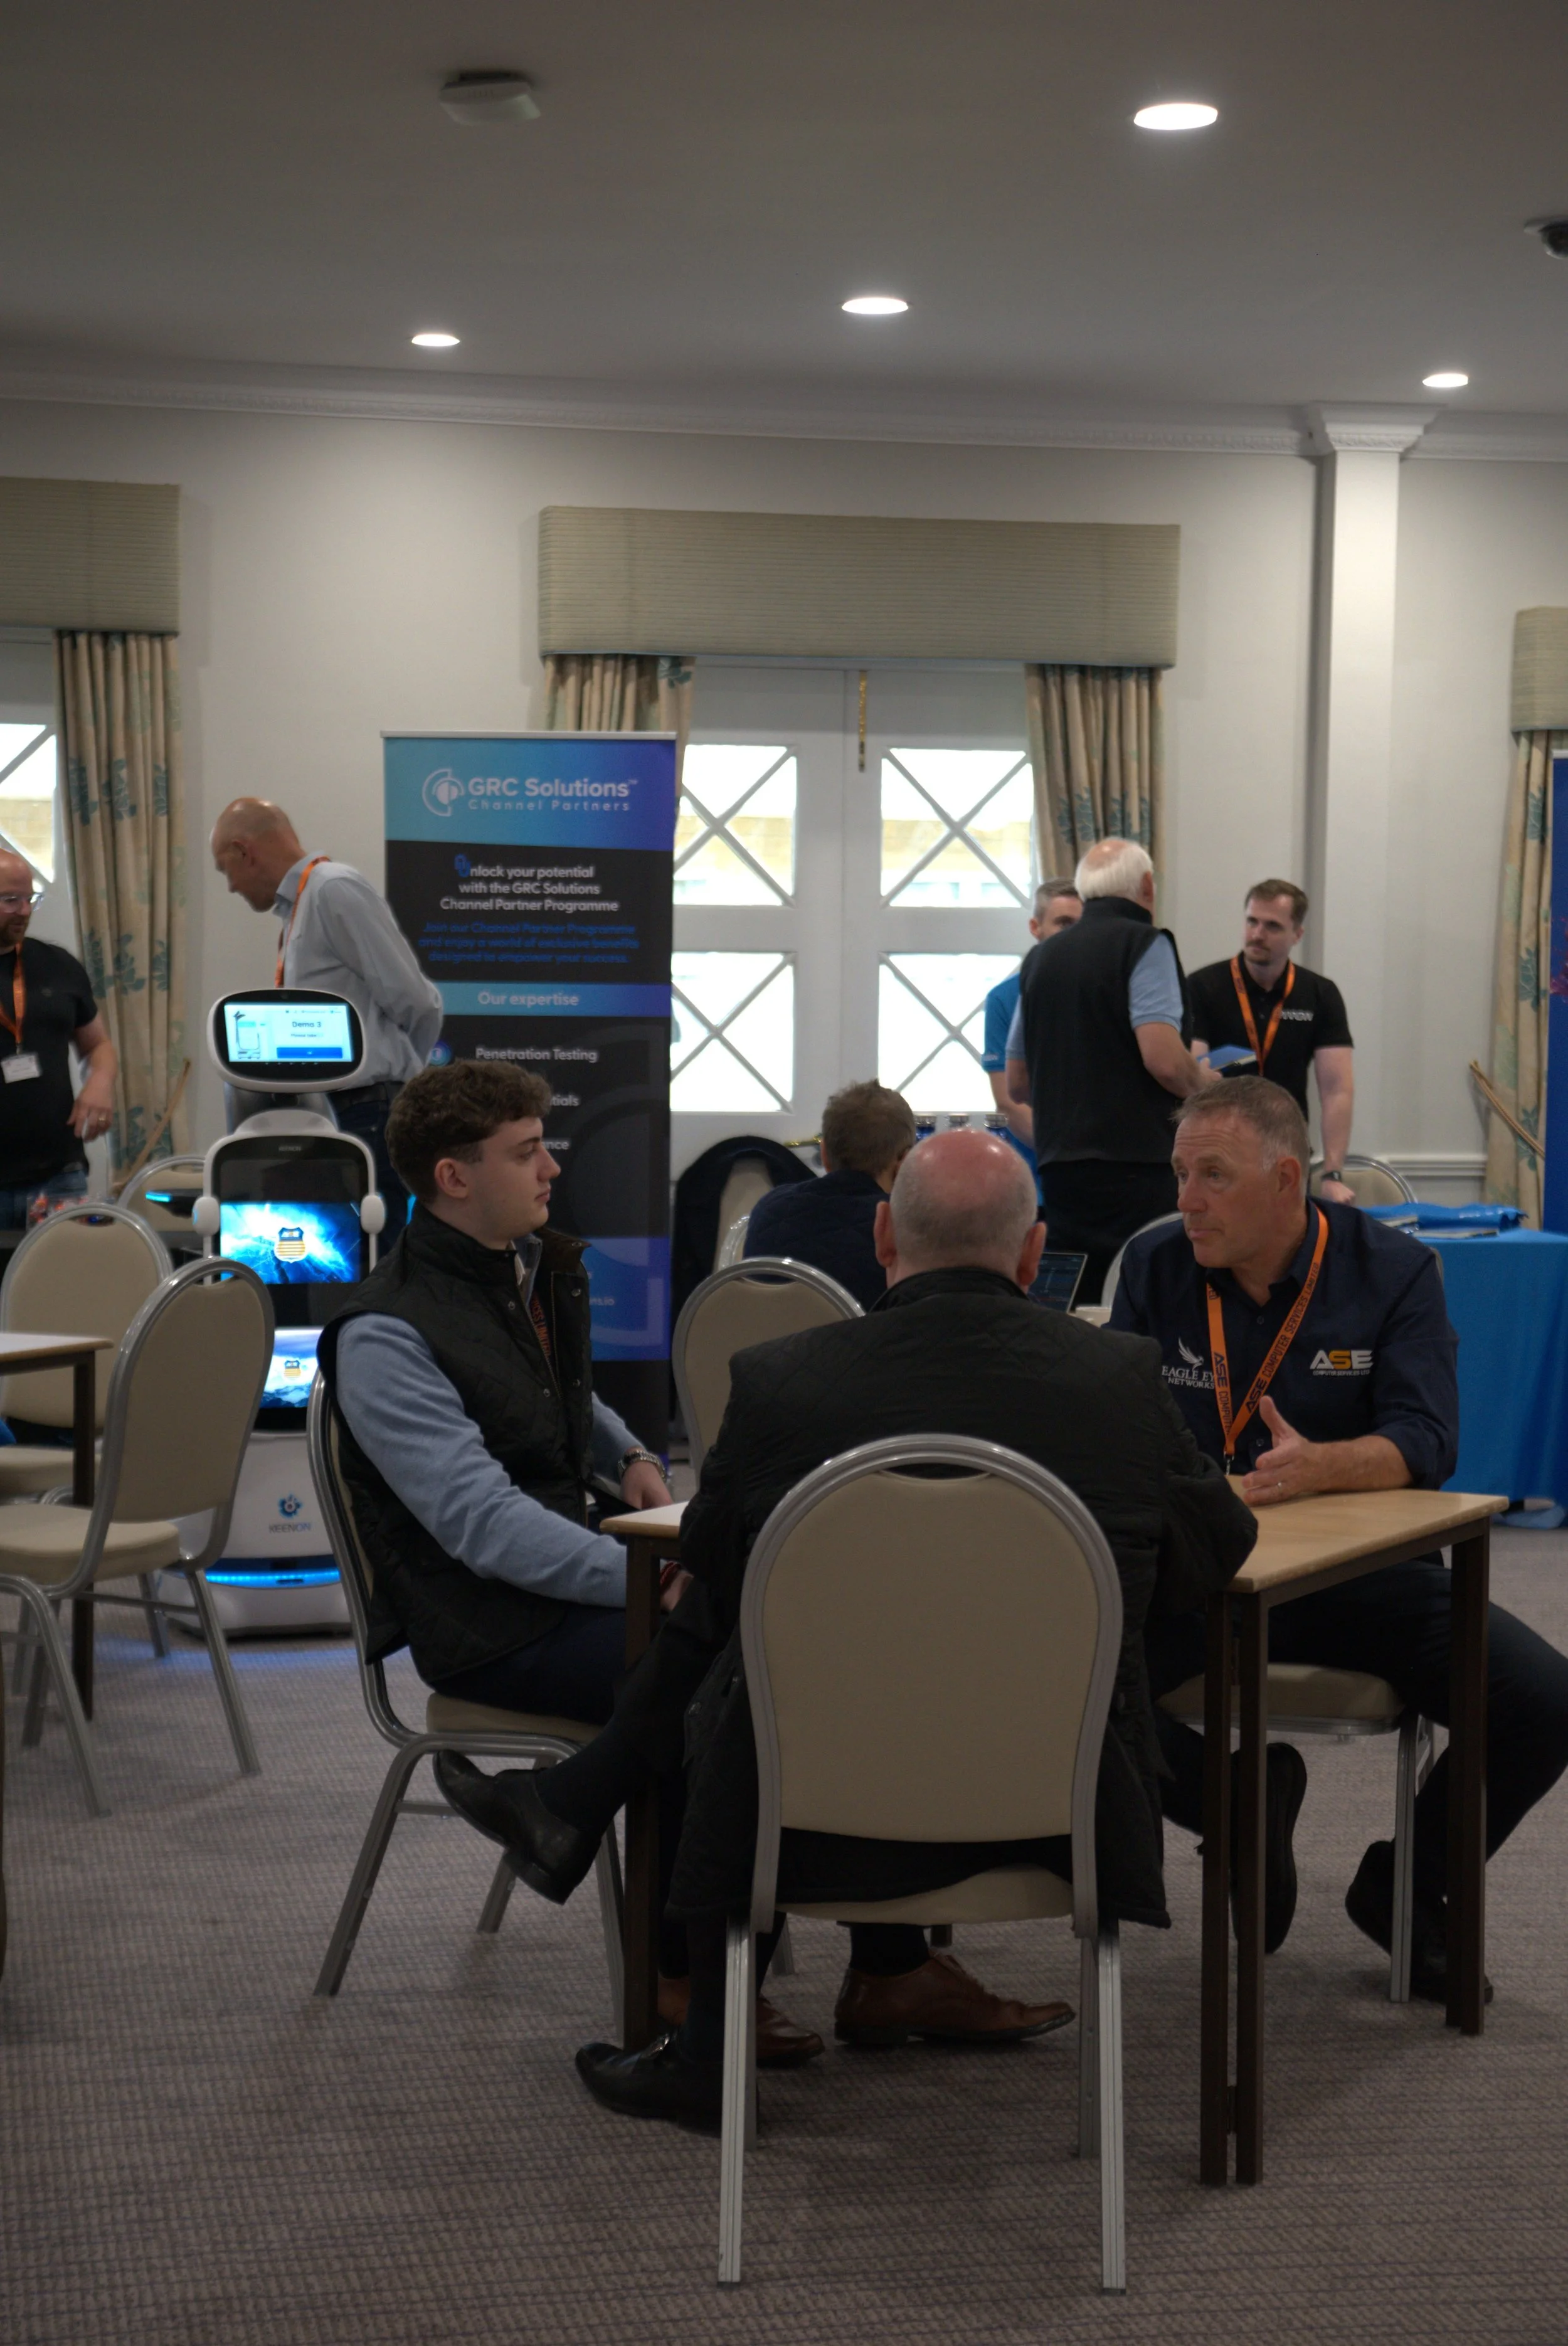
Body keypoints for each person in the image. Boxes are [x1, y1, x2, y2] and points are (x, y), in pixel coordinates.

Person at [438, 1128, 1256, 2131]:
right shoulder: (1121, 1382)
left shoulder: (784, 1381)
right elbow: (1219, 1553)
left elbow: (715, 1567)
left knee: (727, 1634)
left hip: (806, 1819)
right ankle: (879, 1979)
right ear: (1037, 1254)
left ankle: (702, 2040)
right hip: (1059, 1814)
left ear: (881, 1237)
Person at [315, 1061, 824, 2069]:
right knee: (721, 1673)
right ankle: (683, 1975)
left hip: (557, 1581)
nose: (551, 1166)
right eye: (525, 1151)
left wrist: (629, 1455)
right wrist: (641, 1575)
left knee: (766, 1636)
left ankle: (572, 1814)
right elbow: (481, 1529)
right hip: (483, 1623)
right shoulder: (385, 1332)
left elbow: (557, 1397)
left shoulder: (528, 1263)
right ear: (453, 1179)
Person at [1111, 1075, 1568, 1997]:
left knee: (1543, 1700)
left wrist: (1327, 1464)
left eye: (1212, 1176)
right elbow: (1114, 1432)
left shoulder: (1391, 1271)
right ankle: (1234, 1800)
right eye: (1178, 1174)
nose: (1185, 1200)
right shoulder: (1159, 1270)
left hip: (1360, 1582)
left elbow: (1429, 1440)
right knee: (1059, 1679)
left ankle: (1412, 1886)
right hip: (1197, 1579)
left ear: (1287, 1182)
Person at [210, 798, 443, 1223]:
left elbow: (417, 1001)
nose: (230, 887)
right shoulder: (300, 908)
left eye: (225, 870)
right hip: (338, 1113)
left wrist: (402, 1081)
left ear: (245, 852)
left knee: (371, 1264)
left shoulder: (333, 889)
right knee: (342, 1266)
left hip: (369, 1113)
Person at [1007, 837, 1216, 1298]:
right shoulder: (1145, 944)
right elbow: (1163, 1059)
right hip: (1138, 1168)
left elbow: (1018, 1082)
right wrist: (1204, 1082)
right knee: (1143, 1302)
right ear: (1146, 885)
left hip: (1061, 1169)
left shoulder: (1039, 960)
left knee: (1073, 1308)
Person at [1187, 879, 1357, 1204]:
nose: (1257, 934)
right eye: (1252, 921)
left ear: (1297, 935)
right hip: (1220, 1149)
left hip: (1286, 1150)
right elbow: (1196, 1074)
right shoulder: (1203, 986)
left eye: (1272, 926)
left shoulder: (1320, 994)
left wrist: (1333, 1173)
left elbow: (1337, 1089)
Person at [0, 848, 117, 1228]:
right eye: (9, 900)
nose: (24, 910)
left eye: (29, 898)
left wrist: (99, 1083)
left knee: (62, 1286)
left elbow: (98, 1045)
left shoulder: (58, 966)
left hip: (58, 1179)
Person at [741, 1079, 916, 1308]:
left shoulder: (768, 1208)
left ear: (824, 1154)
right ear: (903, 1163)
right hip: (859, 1344)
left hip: (770, 1342)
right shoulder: (902, 1227)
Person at [983, 879, 1081, 1162]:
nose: (1073, 936)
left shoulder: (1110, 992)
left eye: (1081, 926)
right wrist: (1070, 1155)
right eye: (1064, 923)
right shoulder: (1004, 998)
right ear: (1036, 928)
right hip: (1036, 1173)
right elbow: (1009, 1103)